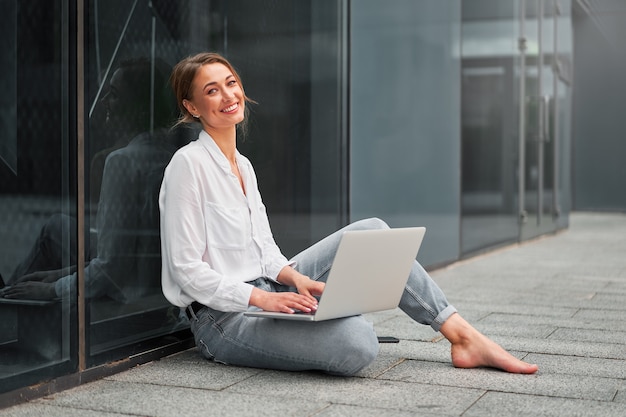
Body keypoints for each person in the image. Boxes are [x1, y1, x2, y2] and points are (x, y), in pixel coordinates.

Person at [159, 52, 539, 376]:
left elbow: (265, 251)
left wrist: (294, 278)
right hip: (223, 320)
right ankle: (331, 323)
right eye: (212, 90)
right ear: (192, 107)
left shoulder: (243, 165)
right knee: (358, 342)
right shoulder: (187, 165)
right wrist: (262, 300)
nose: (228, 95)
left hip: (269, 288)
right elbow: (186, 271)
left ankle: (462, 335)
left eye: (231, 83)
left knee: (373, 232)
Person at [1, 58, 183, 304]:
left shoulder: (123, 162)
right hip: (154, 289)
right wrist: (61, 274)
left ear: (140, 108)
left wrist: (53, 289)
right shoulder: (171, 155)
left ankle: (7, 297)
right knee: (57, 227)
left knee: (53, 233)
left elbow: (111, 268)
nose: (104, 101)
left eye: (114, 94)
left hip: (131, 297)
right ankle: (11, 289)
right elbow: (127, 252)